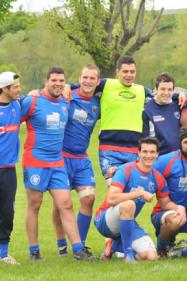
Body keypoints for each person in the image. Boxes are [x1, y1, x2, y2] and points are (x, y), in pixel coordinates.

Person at [21, 67, 94, 261]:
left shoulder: (65, 102)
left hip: (57, 163)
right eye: (54, 80)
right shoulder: (33, 101)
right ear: (46, 81)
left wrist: (72, 86)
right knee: (34, 205)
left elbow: (86, 88)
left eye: (62, 81)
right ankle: (34, 251)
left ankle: (78, 249)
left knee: (66, 204)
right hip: (35, 162)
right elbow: (12, 119)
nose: (58, 84)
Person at [95, 137, 185, 264]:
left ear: (157, 154)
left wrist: (179, 208)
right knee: (129, 204)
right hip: (105, 220)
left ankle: (114, 245)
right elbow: (111, 199)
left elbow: (165, 203)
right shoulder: (125, 170)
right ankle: (128, 255)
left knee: (151, 256)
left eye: (152, 152)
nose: (148, 155)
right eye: (145, 152)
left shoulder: (157, 178)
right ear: (138, 153)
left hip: (127, 221)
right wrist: (140, 193)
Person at [52, 65, 101, 256]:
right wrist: (67, 87)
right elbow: (47, 93)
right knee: (60, 204)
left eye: (92, 78)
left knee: (88, 198)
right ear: (79, 78)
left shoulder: (99, 103)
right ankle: (61, 243)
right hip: (62, 158)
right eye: (85, 77)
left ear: (98, 82)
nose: (88, 81)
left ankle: (79, 245)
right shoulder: (67, 96)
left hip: (82, 159)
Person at [149, 127, 187, 256]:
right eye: (186, 142)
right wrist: (119, 170)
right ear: (180, 143)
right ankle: (162, 248)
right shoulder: (166, 160)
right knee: (175, 220)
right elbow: (143, 167)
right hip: (166, 212)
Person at [96, 56, 153, 183]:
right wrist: (68, 87)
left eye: (132, 72)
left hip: (133, 150)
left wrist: (182, 95)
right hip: (109, 150)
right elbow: (83, 87)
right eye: (125, 71)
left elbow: (162, 96)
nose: (129, 75)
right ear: (117, 72)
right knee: (115, 189)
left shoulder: (142, 91)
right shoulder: (105, 85)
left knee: (132, 193)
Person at [0, 71, 21, 264]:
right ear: (4, 89)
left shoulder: (17, 105)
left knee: (7, 212)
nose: (18, 90)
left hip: (8, 170)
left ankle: (3, 253)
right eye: (15, 87)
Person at [142, 73, 186, 155]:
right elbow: (145, 140)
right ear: (156, 89)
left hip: (179, 156)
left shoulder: (178, 103)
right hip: (160, 157)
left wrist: (182, 94)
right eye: (163, 89)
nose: (166, 93)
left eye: (169, 90)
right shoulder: (148, 110)